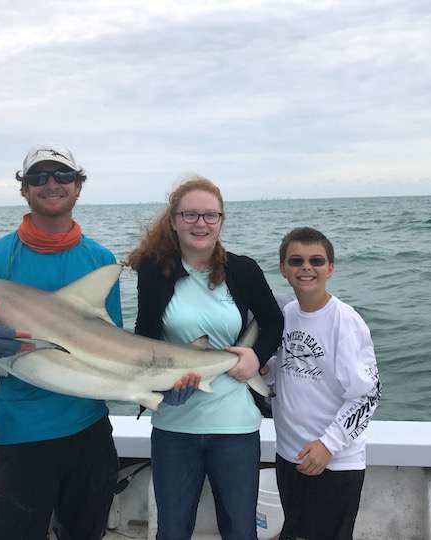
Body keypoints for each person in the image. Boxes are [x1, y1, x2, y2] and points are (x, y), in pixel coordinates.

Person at [0, 145, 122, 540]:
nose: (51, 184)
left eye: (62, 175)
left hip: (90, 431)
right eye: (38, 177)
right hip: (22, 435)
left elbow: (115, 346)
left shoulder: (100, 260)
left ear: (78, 185)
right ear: (24, 189)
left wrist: (157, 384)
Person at [127, 176, 284, 540]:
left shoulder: (243, 270)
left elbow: (274, 321)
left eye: (210, 215)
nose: (201, 223)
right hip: (174, 427)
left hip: (235, 427)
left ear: (222, 219)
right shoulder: (155, 271)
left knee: (240, 530)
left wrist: (255, 357)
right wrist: (161, 388)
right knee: (173, 530)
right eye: (191, 215)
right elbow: (145, 340)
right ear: (174, 220)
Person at [266, 226, 381, 540]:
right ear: (283, 269)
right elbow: (281, 369)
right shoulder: (286, 314)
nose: (306, 268)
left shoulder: (346, 321)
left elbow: (368, 397)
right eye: (296, 261)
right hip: (290, 456)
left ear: (330, 268)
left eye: (316, 261)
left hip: (334, 461)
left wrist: (328, 446)